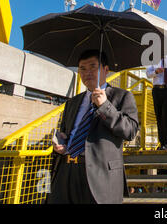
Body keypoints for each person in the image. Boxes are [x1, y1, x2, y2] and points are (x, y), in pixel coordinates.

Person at [47, 49, 139, 204]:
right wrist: (62, 142)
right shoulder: (72, 102)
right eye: (82, 68)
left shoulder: (122, 96)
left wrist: (105, 106)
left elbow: (130, 130)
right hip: (67, 170)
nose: (87, 72)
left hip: (100, 176)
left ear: (106, 70)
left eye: (93, 67)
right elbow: (65, 131)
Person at [146, 53, 167, 150]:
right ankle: (161, 142)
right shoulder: (153, 58)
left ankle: (165, 142)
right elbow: (148, 74)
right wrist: (156, 71)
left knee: (166, 115)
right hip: (156, 90)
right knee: (159, 116)